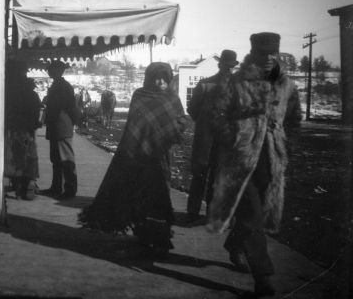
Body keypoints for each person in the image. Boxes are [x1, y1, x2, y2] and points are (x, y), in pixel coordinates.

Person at [207, 32, 301, 298]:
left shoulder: (286, 86)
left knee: (256, 214)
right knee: (251, 214)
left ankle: (235, 243)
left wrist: (286, 145)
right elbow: (216, 116)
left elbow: (295, 121)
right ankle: (263, 275)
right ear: (253, 55)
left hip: (271, 160)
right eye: (263, 54)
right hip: (241, 159)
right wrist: (237, 134)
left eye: (274, 53)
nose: (269, 59)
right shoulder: (235, 82)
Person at [79, 62, 186, 257]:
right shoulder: (139, 95)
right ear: (149, 77)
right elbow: (135, 126)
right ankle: (143, 234)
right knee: (139, 195)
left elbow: (181, 120)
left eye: (164, 78)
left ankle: (158, 238)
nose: (160, 81)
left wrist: (174, 131)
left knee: (159, 196)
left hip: (161, 157)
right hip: (138, 157)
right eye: (156, 77)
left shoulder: (173, 99)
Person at [186, 49, 239, 222]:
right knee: (199, 174)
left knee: (218, 177)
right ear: (220, 65)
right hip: (205, 140)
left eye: (231, 67)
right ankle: (192, 212)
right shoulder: (205, 85)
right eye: (226, 66)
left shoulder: (237, 89)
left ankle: (211, 213)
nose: (228, 70)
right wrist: (205, 125)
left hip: (224, 142)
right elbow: (192, 109)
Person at [41, 60, 80, 199]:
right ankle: (56, 187)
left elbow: (70, 106)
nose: (48, 71)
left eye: (51, 69)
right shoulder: (58, 85)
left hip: (62, 126)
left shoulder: (63, 86)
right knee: (56, 159)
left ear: (58, 70)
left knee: (66, 159)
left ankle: (70, 190)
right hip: (56, 126)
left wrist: (76, 121)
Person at [4, 60, 42, 200]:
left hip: (14, 128)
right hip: (28, 129)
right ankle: (30, 181)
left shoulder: (10, 88)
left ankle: (19, 186)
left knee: (15, 156)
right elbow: (37, 110)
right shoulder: (31, 94)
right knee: (30, 154)